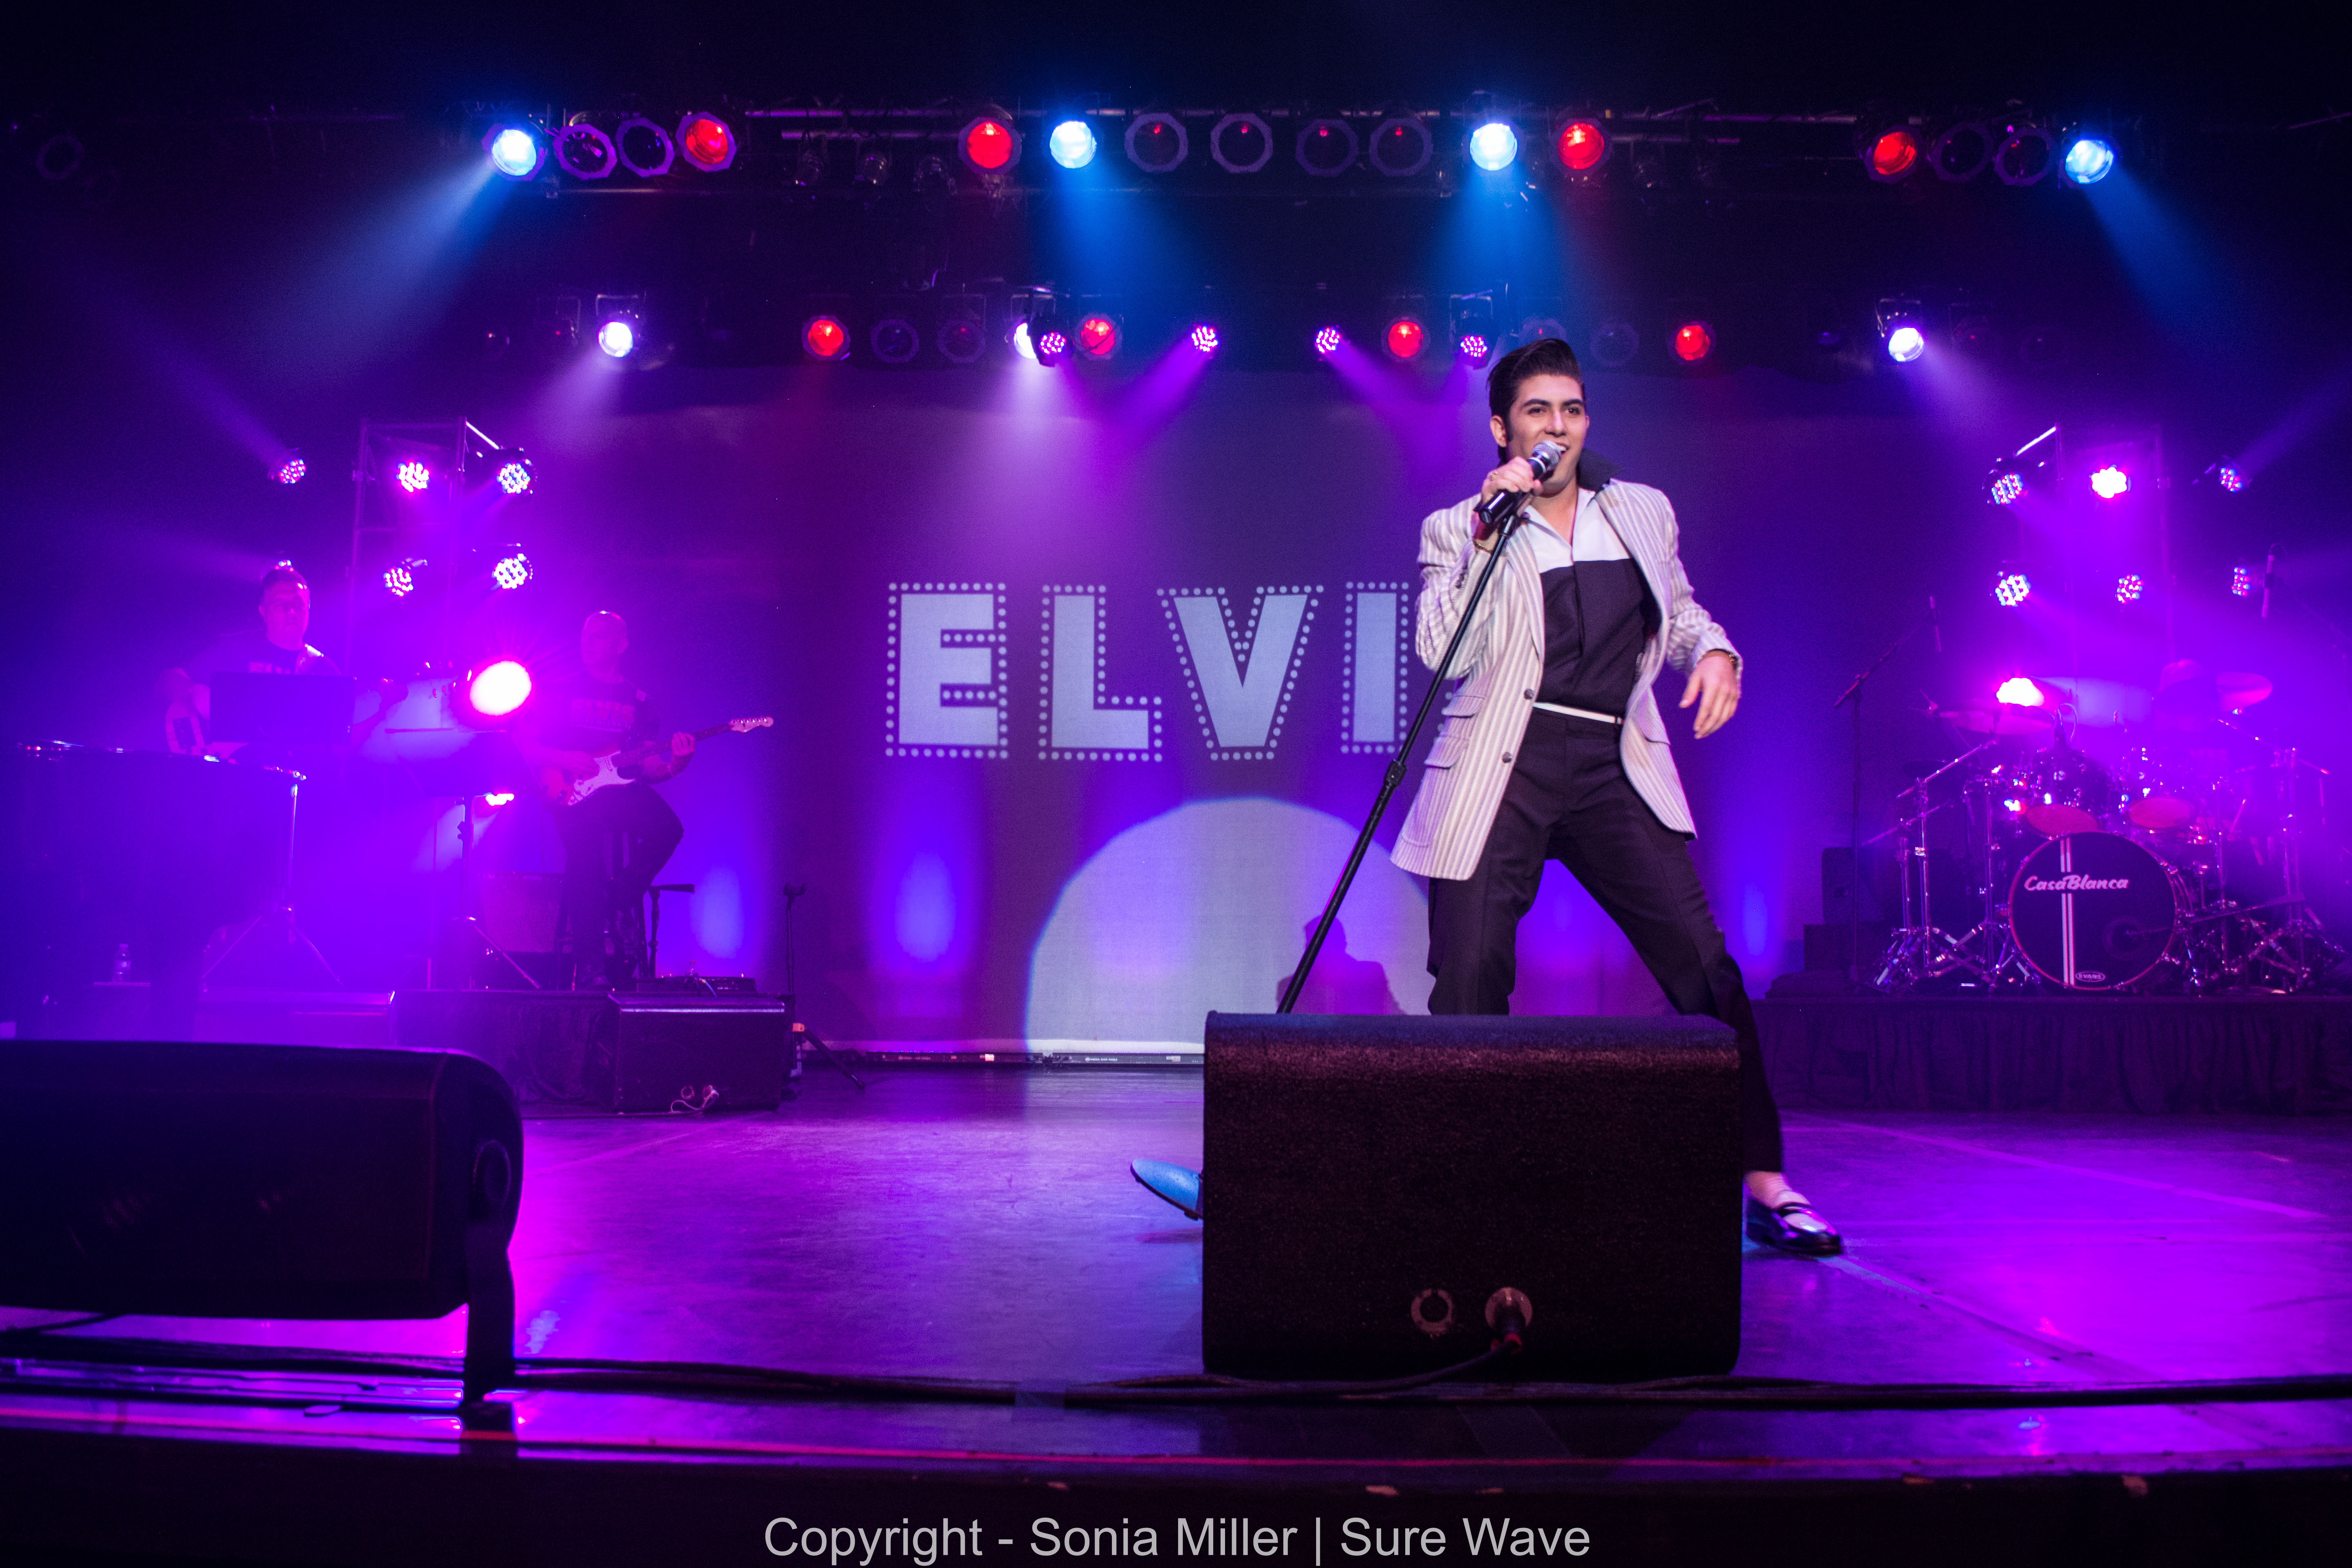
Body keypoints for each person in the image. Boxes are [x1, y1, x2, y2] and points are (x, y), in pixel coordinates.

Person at [1388, 337, 1838, 1255]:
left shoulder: (1639, 509)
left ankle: (1765, 1179)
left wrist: (1714, 651)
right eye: (1538, 411)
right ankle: (1469, 1185)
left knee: (1705, 969)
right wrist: (1487, 532)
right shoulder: (1457, 526)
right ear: (1503, 428)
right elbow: (1442, 651)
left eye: (1572, 409)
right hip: (1499, 762)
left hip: (1609, 761)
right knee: (1468, 976)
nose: (1557, 426)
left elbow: (1681, 609)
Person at [516, 611, 694, 988]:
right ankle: (591, 967)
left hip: (617, 791)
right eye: (585, 635)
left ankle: (618, 901)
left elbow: (649, 768)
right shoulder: (560, 690)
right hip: (571, 790)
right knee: (586, 861)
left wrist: (676, 764)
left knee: (669, 829)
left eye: (598, 636)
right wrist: (565, 759)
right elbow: (524, 746)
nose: (588, 642)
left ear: (621, 645)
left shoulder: (640, 701)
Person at [161, 561, 344, 762]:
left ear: (308, 609)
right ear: (263, 611)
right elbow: (171, 679)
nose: (291, 611)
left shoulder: (322, 669)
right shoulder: (233, 650)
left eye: (298, 604)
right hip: (226, 771)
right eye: (280, 604)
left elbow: (335, 746)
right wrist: (194, 692)